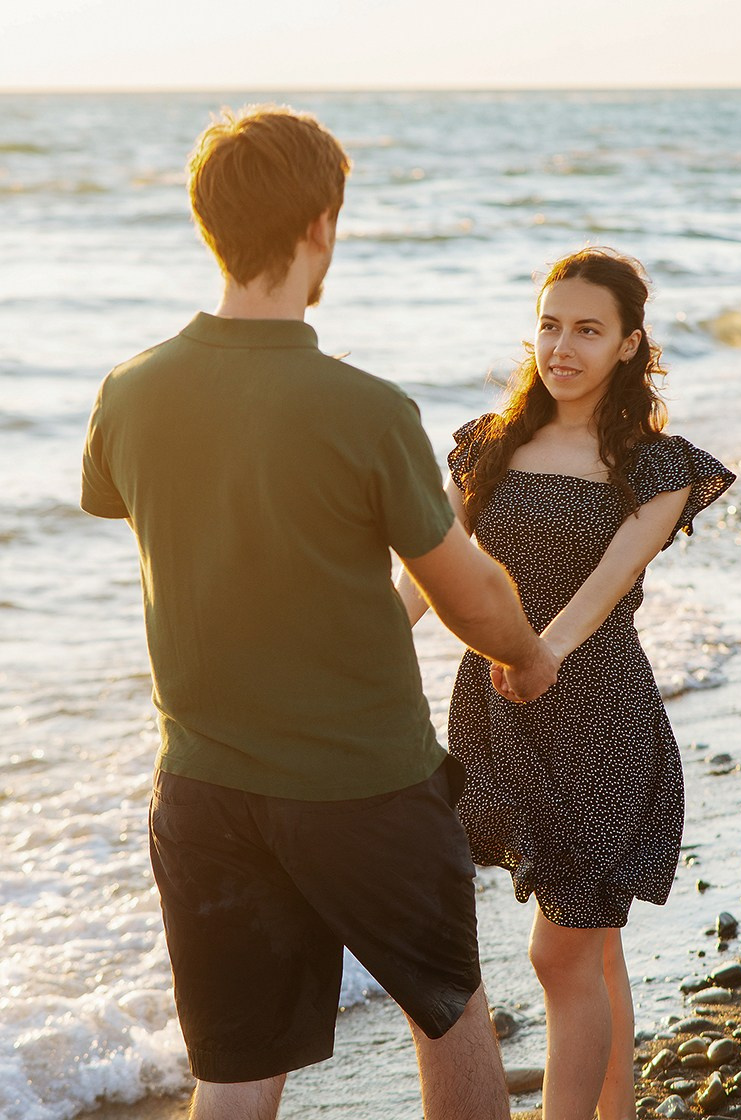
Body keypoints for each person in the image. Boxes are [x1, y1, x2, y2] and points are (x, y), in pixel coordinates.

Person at [80, 104, 559, 1120]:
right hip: (364, 789)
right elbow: (466, 592)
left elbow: (197, 532)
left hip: (203, 790)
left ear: (209, 224)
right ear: (319, 226)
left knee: (239, 1070)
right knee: (451, 1017)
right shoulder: (365, 409)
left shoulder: (127, 392)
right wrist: (525, 654)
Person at [398, 247, 736, 1120]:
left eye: (589, 329)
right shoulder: (487, 446)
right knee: (593, 948)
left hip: (601, 713)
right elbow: (429, 577)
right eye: (550, 325)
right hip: (496, 715)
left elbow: (607, 586)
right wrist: (358, 650)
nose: (563, 346)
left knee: (562, 954)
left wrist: (535, 653)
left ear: (629, 344)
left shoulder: (659, 466)